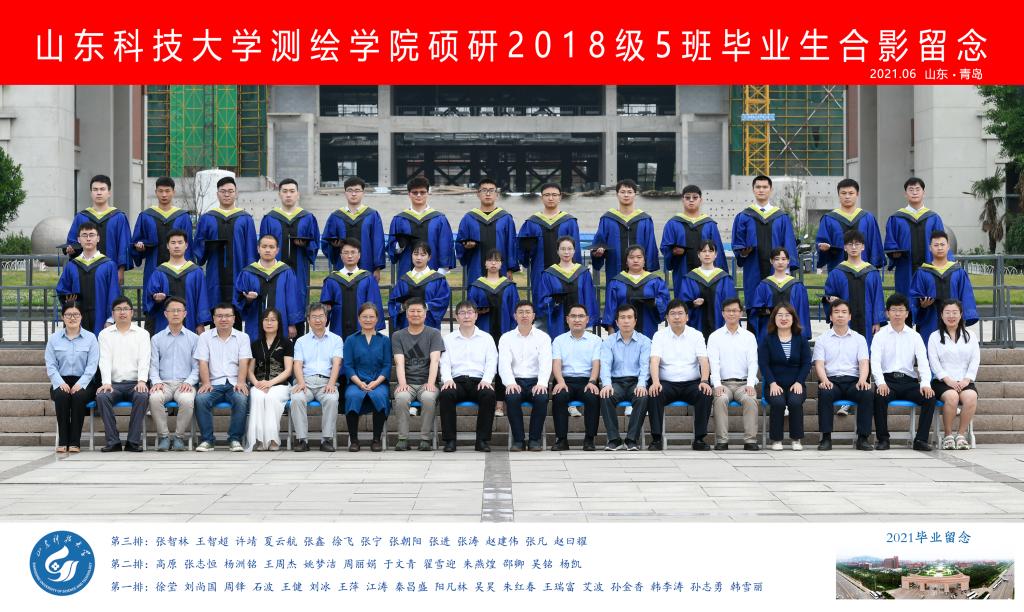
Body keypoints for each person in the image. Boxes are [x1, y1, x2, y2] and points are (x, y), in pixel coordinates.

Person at [870, 293, 935, 452]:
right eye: (894, 310)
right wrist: (880, 383)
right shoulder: (879, 336)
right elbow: (875, 362)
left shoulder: (915, 336)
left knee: (929, 397)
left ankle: (920, 440)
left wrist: (925, 383)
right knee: (879, 396)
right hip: (888, 381)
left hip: (909, 382)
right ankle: (883, 439)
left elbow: (923, 362)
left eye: (901, 310)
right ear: (887, 313)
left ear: (907, 313)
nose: (897, 314)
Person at [647, 300, 714, 451]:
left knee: (705, 393)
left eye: (680, 313)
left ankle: (699, 439)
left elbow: (704, 360)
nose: (676, 317)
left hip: (692, 383)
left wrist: (704, 380)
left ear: (687, 317)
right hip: (667, 384)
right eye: (672, 314)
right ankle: (656, 439)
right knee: (654, 393)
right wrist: (655, 382)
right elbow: (654, 360)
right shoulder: (659, 335)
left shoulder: (696, 335)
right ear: (667, 317)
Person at [259, 178, 321, 334]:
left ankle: (298, 343)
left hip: (299, 271)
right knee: (275, 303)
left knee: (298, 302)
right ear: (279, 194)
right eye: (285, 191)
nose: (288, 195)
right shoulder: (270, 218)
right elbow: (262, 246)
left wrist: (305, 244)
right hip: (272, 272)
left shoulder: (307, 217)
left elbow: (315, 244)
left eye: (292, 191)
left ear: (298, 194)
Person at [192, 176, 258, 319]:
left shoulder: (245, 219)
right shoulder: (207, 218)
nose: (227, 194)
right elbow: (199, 246)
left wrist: (249, 279)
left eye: (230, 191)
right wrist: (208, 246)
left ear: (236, 193)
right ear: (217, 194)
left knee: (236, 317)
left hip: (238, 275)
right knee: (215, 315)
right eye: (223, 191)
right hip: (215, 275)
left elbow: (251, 251)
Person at [438, 301, 499, 452]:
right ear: (456, 317)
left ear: (476, 316)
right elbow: (444, 362)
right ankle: (450, 440)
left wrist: (486, 380)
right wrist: (447, 379)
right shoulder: (448, 339)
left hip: (479, 381)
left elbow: (492, 361)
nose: (466, 316)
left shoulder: (486, 338)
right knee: (446, 394)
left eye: (470, 312)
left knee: (489, 395)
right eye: (462, 313)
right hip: (456, 381)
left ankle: (482, 441)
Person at [730, 174, 799, 308]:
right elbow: (738, 242)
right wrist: (743, 253)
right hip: (753, 268)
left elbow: (788, 243)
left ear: (771, 190)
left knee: (779, 306)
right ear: (753, 190)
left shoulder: (781, 217)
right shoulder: (744, 216)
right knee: (754, 305)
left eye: (765, 187)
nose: (761, 190)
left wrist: (787, 270)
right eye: (758, 187)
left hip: (777, 270)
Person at [812, 300, 873, 451]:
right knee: (825, 392)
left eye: (844, 312)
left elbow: (864, 362)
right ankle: (826, 438)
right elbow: (819, 364)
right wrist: (824, 380)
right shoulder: (822, 339)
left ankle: (863, 438)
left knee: (866, 393)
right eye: (836, 312)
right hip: (832, 380)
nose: (840, 315)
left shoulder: (859, 339)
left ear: (850, 316)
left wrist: (863, 380)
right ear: (830, 317)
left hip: (853, 381)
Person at [467, 249, 519, 418]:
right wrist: (478, 311)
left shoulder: (509, 286)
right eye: (490, 260)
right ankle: (484, 401)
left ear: (502, 264)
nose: (493, 263)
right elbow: (469, 311)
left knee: (503, 366)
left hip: (505, 331)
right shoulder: (476, 286)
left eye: (497, 260)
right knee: (484, 366)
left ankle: (500, 403)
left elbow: (515, 311)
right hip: (483, 332)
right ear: (485, 263)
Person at [193, 303, 251, 452]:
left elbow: (244, 361)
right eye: (219, 316)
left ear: (233, 319)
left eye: (227, 316)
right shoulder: (205, 337)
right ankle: (207, 440)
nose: (223, 319)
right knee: (201, 399)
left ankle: (235, 439)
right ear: (213, 319)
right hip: (213, 383)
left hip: (234, 383)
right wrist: (206, 383)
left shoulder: (243, 337)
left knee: (241, 399)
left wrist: (241, 382)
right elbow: (203, 362)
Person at [95, 296, 150, 452]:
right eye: (118, 309)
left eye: (125, 309)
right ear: (113, 314)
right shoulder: (105, 334)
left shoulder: (142, 334)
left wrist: (142, 380)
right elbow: (104, 360)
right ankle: (113, 441)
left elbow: (144, 359)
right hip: (114, 384)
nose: (122, 312)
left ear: (132, 312)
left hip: (135, 383)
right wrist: (106, 382)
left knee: (142, 396)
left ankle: (133, 442)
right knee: (102, 397)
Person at [391, 297, 445, 451]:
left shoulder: (434, 334)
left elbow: (435, 360)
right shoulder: (398, 336)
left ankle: (425, 439)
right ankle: (403, 438)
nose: (415, 314)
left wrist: (430, 383)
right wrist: (402, 384)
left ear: (425, 314)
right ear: (406, 314)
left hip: (427, 382)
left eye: (419, 311)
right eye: (412, 311)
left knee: (428, 398)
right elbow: (399, 362)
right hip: (407, 382)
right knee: (401, 398)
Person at [45, 302, 99, 454]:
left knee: (78, 396)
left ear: (81, 317)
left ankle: (75, 442)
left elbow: (92, 366)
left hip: (84, 382)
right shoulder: (54, 338)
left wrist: (81, 383)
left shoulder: (90, 338)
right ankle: (63, 441)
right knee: (61, 396)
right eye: (68, 314)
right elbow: (51, 365)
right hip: (61, 380)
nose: (72, 318)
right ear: (63, 317)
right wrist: (59, 383)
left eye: (76, 314)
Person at [707, 297, 760, 451]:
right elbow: (713, 363)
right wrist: (717, 385)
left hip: (743, 383)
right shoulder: (715, 336)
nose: (731, 314)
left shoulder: (749, 337)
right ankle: (722, 440)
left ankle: (750, 440)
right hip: (723, 383)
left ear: (741, 313)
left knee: (750, 399)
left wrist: (750, 384)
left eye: (735, 311)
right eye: (728, 311)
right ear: (723, 313)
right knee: (720, 399)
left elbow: (753, 362)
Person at [498, 301, 552, 451]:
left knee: (541, 398)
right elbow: (504, 364)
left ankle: (534, 440)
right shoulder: (506, 338)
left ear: (533, 316)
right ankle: (518, 440)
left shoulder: (543, 337)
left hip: (536, 381)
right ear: (515, 316)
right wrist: (510, 383)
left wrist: (542, 383)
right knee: (512, 397)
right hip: (515, 381)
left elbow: (546, 363)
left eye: (528, 312)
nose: (524, 315)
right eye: (520, 312)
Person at [927, 299, 981, 451]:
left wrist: (967, 379)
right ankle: (948, 435)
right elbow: (934, 362)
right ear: (941, 315)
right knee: (952, 397)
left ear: (961, 314)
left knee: (971, 397)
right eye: (947, 313)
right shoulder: (934, 337)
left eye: (955, 312)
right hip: (942, 382)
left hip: (965, 380)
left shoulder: (970, 336)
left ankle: (961, 435)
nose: (951, 316)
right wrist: (948, 380)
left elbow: (975, 359)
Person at [147, 297, 199, 452]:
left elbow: (197, 367)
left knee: (187, 400)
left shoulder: (194, 339)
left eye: (179, 310)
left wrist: (189, 382)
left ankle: (178, 437)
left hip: (185, 383)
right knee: (154, 398)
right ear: (165, 314)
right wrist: (156, 381)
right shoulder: (156, 339)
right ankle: (163, 436)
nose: (175, 314)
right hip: (164, 383)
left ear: (185, 314)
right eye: (172, 311)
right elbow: (153, 365)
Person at [290, 304, 343, 452]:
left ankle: (326, 440)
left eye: (321, 316)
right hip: (305, 382)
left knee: (332, 399)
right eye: (314, 317)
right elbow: (297, 364)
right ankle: (302, 440)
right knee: (297, 398)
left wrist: (331, 383)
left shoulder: (336, 340)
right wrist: (301, 382)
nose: (318, 320)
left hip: (326, 382)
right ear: (308, 319)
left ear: (326, 318)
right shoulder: (301, 341)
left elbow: (337, 363)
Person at [758, 302, 811, 451]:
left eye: (787, 315)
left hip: (796, 384)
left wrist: (799, 381)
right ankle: (776, 440)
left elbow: (806, 363)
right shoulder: (768, 339)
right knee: (778, 402)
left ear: (793, 318)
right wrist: (772, 383)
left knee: (795, 402)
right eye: (779, 315)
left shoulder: (800, 338)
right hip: (774, 384)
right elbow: (764, 364)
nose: (783, 318)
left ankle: (796, 439)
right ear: (774, 319)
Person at [550, 304, 603, 451]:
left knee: (592, 396)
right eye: (573, 316)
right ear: (567, 319)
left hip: (587, 380)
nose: (577, 320)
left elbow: (596, 363)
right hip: (564, 380)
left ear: (587, 319)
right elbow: (556, 363)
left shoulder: (596, 340)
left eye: (581, 316)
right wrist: (560, 381)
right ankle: (561, 439)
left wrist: (592, 381)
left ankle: (589, 439)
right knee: (559, 396)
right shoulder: (559, 340)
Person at [599, 304, 651, 451]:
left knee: (642, 397)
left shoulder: (644, 341)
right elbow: (605, 364)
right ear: (617, 322)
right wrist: (606, 384)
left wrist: (642, 384)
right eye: (622, 317)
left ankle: (631, 439)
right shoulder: (608, 342)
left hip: (636, 382)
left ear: (635, 321)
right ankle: (614, 439)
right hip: (616, 383)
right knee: (606, 396)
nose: (626, 321)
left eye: (629, 317)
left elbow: (645, 366)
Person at [885, 177, 949, 297]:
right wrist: (894, 253)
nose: (914, 192)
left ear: (923, 193)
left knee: (930, 298)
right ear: (905, 194)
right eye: (911, 190)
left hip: (931, 266)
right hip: (905, 267)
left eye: (917, 189)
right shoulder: (896, 218)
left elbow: (941, 242)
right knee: (906, 300)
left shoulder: (933, 218)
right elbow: (891, 241)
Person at [517, 182, 582, 302]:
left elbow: (576, 249)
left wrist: (577, 273)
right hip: (539, 271)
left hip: (566, 273)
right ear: (541, 197)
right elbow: (522, 250)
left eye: (554, 195)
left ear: (560, 197)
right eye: (547, 195)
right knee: (541, 302)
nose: (551, 198)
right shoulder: (532, 222)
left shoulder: (569, 221)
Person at [911, 231, 978, 342]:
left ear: (948, 247)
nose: (939, 248)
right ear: (930, 248)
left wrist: (965, 317)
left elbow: (966, 296)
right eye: (936, 245)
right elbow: (915, 297)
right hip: (929, 320)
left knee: (954, 347)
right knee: (930, 347)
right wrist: (921, 305)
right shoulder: (922, 272)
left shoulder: (958, 272)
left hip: (953, 319)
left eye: (942, 244)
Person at [65, 174, 132, 285]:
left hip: (112, 271)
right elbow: (73, 242)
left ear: (109, 193)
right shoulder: (81, 217)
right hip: (84, 270)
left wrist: (121, 270)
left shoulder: (119, 217)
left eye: (102, 189)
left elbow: (124, 245)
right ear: (91, 193)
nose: (99, 192)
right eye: (95, 189)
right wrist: (71, 249)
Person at [590, 179, 660, 287]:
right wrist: (597, 253)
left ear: (635, 194)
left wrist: (649, 269)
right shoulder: (607, 219)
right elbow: (598, 244)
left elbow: (650, 246)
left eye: (629, 192)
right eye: (622, 192)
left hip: (640, 272)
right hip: (614, 268)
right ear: (617, 194)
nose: (626, 195)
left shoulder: (645, 219)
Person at [660, 185, 727, 296]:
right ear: (682, 200)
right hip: (682, 272)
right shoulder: (673, 223)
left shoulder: (709, 224)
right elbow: (665, 248)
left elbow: (718, 250)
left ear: (701, 200)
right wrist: (673, 252)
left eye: (695, 197)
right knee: (684, 302)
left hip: (708, 275)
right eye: (687, 197)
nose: (691, 200)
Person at [234, 234, 304, 339]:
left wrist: (292, 324)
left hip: (281, 323)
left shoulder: (286, 272)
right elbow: (238, 300)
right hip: (255, 323)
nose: (267, 250)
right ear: (258, 249)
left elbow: (292, 299)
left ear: (277, 250)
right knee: (256, 347)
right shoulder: (248, 273)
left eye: (271, 247)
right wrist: (248, 299)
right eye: (264, 246)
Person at [823, 230, 886, 347]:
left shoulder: (872, 272)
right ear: (844, 247)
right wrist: (830, 299)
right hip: (845, 322)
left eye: (857, 244)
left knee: (866, 350)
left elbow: (877, 298)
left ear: (863, 247)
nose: (853, 247)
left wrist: (876, 321)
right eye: (850, 244)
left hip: (867, 322)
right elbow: (829, 295)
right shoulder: (837, 272)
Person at [343, 303, 392, 452]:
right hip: (356, 382)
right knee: (352, 396)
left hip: (378, 382)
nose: (368, 320)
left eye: (371, 317)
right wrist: (359, 383)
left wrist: (376, 383)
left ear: (377, 319)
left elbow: (387, 365)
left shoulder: (384, 340)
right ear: (359, 319)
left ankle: (376, 439)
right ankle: (354, 440)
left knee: (380, 396)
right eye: (364, 317)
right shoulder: (351, 340)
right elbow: (348, 366)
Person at [56, 222, 120, 337]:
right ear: (79, 240)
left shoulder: (108, 265)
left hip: (102, 320)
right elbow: (62, 290)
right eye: (84, 235)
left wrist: (110, 320)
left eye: (92, 235)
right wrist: (71, 311)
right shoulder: (72, 265)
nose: (88, 239)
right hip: (76, 319)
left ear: (98, 238)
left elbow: (113, 293)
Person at [131, 176, 194, 292]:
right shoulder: (146, 216)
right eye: (160, 191)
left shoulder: (183, 217)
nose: (164, 195)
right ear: (156, 192)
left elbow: (188, 246)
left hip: (179, 270)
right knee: (153, 295)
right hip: (152, 267)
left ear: (173, 192)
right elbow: (136, 242)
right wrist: (139, 248)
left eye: (167, 191)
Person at [143, 229, 210, 334]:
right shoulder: (159, 272)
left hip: (190, 322)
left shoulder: (196, 272)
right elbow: (150, 298)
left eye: (180, 242)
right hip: (164, 323)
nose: (176, 246)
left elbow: (202, 299)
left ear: (186, 245)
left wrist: (200, 324)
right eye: (173, 243)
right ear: (167, 246)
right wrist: (156, 298)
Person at [245, 308, 293, 452]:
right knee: (257, 397)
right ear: (261, 323)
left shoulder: (286, 343)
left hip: (280, 385)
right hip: (259, 384)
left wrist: (270, 383)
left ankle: (273, 440)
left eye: (273, 320)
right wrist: (257, 383)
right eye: (266, 320)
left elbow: (288, 370)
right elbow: (249, 370)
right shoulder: (255, 344)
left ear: (279, 323)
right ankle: (259, 440)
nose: (269, 323)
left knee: (271, 398)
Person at [456, 177, 519, 286]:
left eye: (491, 190)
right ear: (478, 194)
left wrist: (510, 269)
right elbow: (459, 244)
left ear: (497, 194)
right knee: (476, 295)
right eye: (484, 190)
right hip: (476, 269)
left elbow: (511, 245)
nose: (488, 194)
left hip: (501, 270)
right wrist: (466, 246)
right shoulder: (469, 218)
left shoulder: (505, 218)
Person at [321, 176, 386, 280]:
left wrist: (377, 268)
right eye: (350, 190)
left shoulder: (372, 215)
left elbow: (378, 243)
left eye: (357, 190)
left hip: (367, 266)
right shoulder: (336, 216)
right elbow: (326, 242)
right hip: (342, 266)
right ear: (345, 193)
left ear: (363, 193)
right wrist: (334, 246)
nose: (353, 194)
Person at [388, 176, 454, 277]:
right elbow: (391, 248)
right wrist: (399, 246)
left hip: (434, 271)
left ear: (428, 193)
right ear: (409, 194)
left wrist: (442, 271)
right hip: (407, 272)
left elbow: (445, 245)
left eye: (422, 192)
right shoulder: (400, 219)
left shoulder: (439, 219)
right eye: (415, 192)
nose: (419, 195)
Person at [319, 237, 384, 340]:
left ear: (359, 255)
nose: (349, 256)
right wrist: (326, 312)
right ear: (341, 256)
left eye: (353, 252)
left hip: (363, 330)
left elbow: (375, 304)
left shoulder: (368, 278)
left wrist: (374, 329)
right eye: (346, 252)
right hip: (338, 330)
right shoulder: (332, 280)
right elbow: (323, 309)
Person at [602, 244, 670, 340]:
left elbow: (665, 302)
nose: (635, 260)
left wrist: (655, 302)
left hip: (648, 330)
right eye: (631, 257)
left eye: (639, 257)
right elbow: (610, 309)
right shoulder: (616, 282)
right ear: (626, 261)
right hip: (621, 332)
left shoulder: (655, 281)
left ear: (644, 260)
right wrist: (611, 334)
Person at [815, 178, 884, 272]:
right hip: (838, 270)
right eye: (843, 193)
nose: (847, 196)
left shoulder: (868, 218)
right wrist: (823, 248)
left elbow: (875, 244)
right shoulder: (829, 219)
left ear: (857, 194)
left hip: (864, 270)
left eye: (851, 193)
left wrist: (874, 269)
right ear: (838, 195)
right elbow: (822, 244)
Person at [536, 236, 599, 337]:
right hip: (558, 322)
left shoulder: (583, 273)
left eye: (569, 249)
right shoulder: (548, 274)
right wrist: (554, 301)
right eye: (563, 249)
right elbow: (542, 301)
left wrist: (589, 324)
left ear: (574, 251)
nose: (566, 252)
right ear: (557, 251)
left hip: (580, 322)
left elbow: (589, 299)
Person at [676, 240, 738, 342]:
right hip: (696, 325)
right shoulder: (690, 278)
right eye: (704, 251)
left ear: (716, 254)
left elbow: (731, 304)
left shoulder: (724, 278)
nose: (707, 254)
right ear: (698, 255)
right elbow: (682, 303)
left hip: (720, 326)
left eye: (710, 251)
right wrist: (693, 304)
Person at [748, 247, 811, 343]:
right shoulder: (764, 285)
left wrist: (802, 334)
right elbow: (756, 311)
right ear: (771, 261)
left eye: (783, 259)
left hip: (792, 330)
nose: (780, 262)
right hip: (769, 330)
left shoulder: (797, 286)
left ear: (788, 261)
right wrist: (766, 310)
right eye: (776, 259)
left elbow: (802, 311)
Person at [388, 241, 452, 330]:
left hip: (429, 325)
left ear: (429, 257)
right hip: (406, 326)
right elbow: (393, 303)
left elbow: (442, 301)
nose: (418, 258)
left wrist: (424, 306)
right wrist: (403, 306)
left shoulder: (438, 279)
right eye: (415, 254)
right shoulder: (404, 280)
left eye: (423, 255)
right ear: (411, 256)